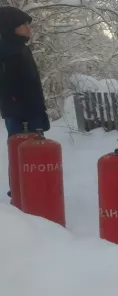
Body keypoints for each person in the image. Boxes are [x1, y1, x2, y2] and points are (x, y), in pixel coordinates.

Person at [0, 7, 50, 199]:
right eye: (23, 25)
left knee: (35, 152)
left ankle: (34, 189)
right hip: (18, 111)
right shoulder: (6, 50)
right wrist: (17, 104)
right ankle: (20, 193)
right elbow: (7, 85)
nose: (28, 28)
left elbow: (31, 82)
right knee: (19, 150)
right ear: (11, 27)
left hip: (32, 109)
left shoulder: (22, 49)